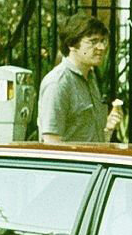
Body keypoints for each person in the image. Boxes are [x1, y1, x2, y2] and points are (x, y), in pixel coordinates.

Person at [37, 12, 123, 144]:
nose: (101, 47)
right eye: (93, 41)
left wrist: (108, 128)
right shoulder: (58, 83)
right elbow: (51, 143)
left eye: (102, 41)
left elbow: (93, 142)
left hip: (93, 163)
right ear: (72, 44)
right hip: (71, 164)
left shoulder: (90, 78)